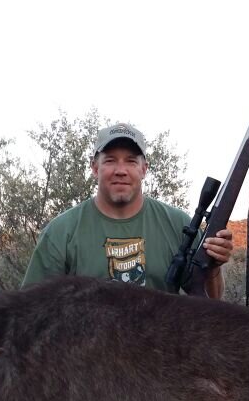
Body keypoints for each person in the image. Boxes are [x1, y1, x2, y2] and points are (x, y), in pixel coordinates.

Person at [21, 123, 233, 298]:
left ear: (144, 169)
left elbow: (211, 301)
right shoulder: (61, 232)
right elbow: (32, 308)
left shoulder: (179, 224)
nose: (121, 171)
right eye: (110, 160)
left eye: (131, 161)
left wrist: (213, 265)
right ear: (95, 168)